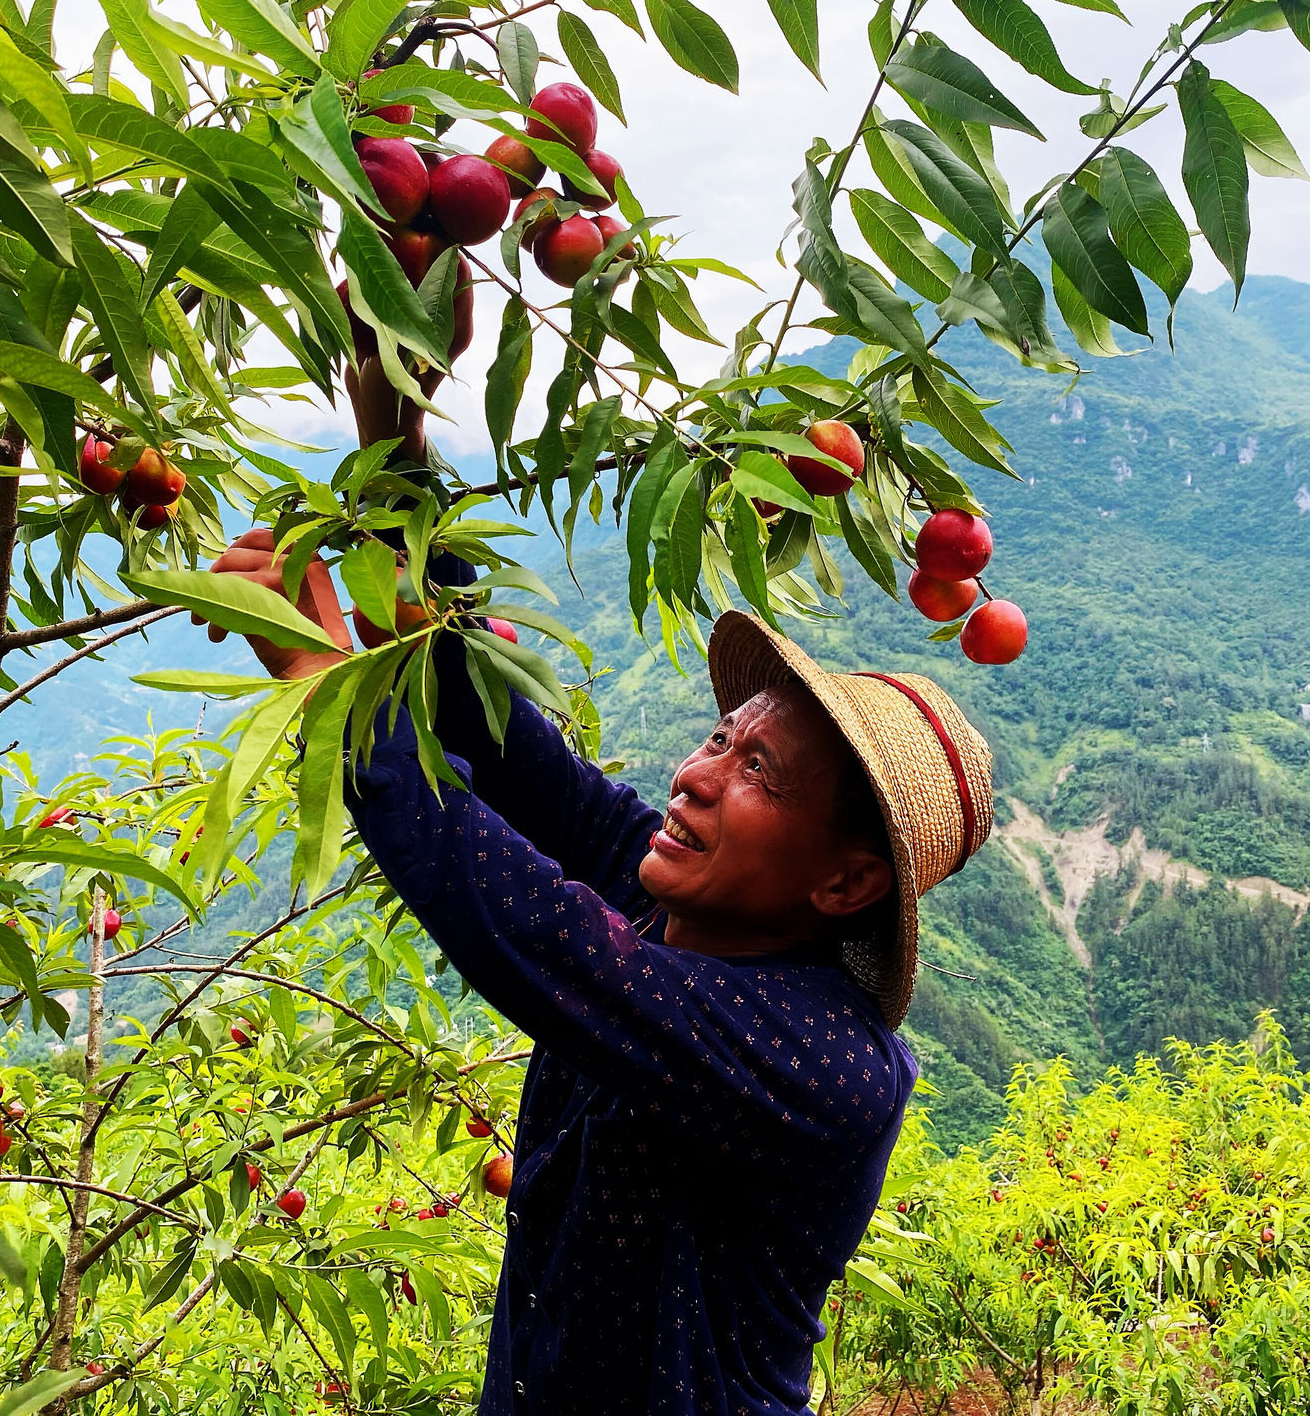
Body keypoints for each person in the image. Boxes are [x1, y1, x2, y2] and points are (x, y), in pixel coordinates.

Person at [197, 528, 994, 1415]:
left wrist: (329, 682)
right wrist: (401, 450)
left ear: (844, 883)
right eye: (722, 738)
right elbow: (496, 730)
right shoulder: (668, 896)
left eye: (760, 773)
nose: (695, 774)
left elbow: (539, 931)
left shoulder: (828, 1064)